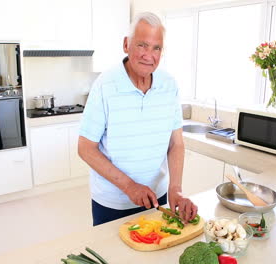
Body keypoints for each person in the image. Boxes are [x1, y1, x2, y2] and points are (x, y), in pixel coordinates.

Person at [78, 12, 198, 226]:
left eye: (156, 48)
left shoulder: (169, 85)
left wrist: (175, 189)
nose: (148, 55)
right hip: (112, 204)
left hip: (157, 198)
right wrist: (129, 186)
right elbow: (86, 148)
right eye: (142, 45)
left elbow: (176, 143)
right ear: (126, 44)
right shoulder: (105, 85)